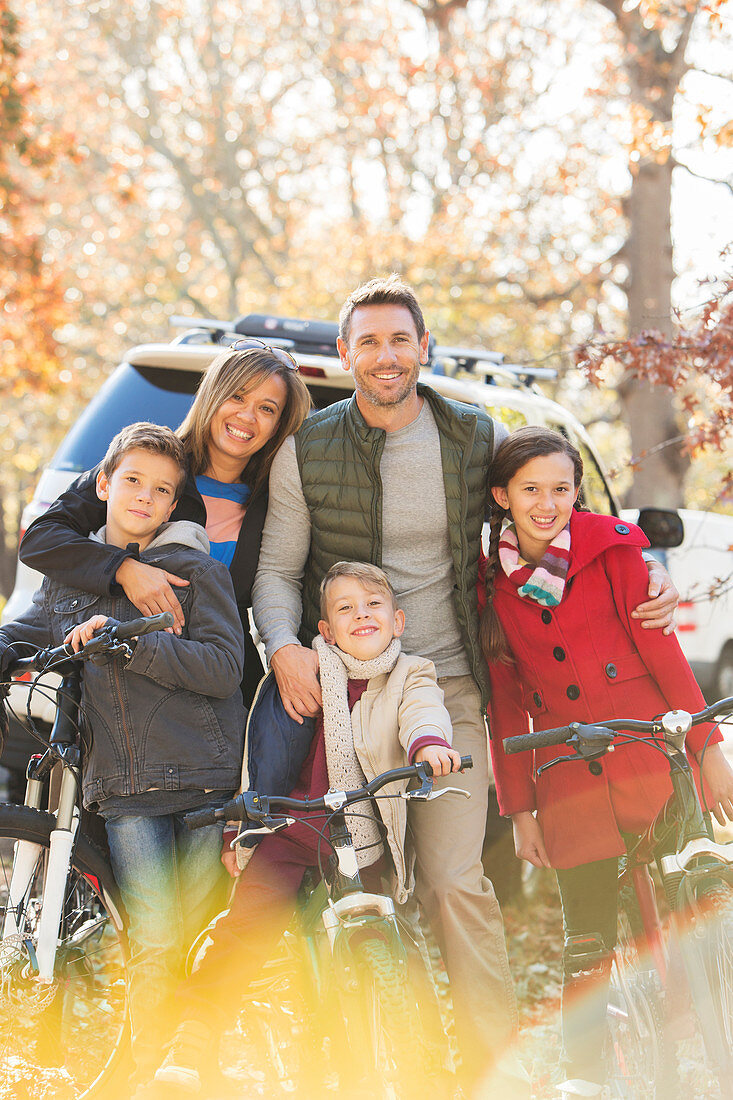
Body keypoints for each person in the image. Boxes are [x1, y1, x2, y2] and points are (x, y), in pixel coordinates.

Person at [250, 275, 679, 1097]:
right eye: (367, 341)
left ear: (422, 347)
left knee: (452, 879)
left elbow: (551, 507)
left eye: (398, 339)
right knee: (355, 880)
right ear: (344, 354)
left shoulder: (470, 434)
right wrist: (282, 648)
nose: (384, 355)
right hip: (346, 691)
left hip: (448, 690)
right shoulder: (309, 449)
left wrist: (639, 557)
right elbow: (274, 570)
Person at [139, 560, 460, 1097]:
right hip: (291, 828)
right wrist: (241, 827)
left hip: (363, 834)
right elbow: (262, 754)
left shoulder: (411, 674)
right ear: (327, 631)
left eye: (374, 605)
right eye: (345, 608)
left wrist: (430, 745)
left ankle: (420, 1057)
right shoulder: (303, 673)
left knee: (397, 940)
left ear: (399, 621)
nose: (362, 615)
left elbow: (423, 713)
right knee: (246, 929)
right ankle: (190, 1043)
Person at [480, 426, 733, 1096]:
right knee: (586, 932)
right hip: (564, 772)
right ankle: (587, 1076)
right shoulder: (490, 588)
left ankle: (705, 1041)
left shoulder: (615, 552)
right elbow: (504, 709)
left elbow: (663, 657)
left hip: (647, 749)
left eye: (560, 488)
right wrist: (519, 809)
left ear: (576, 491)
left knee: (687, 905)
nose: (546, 503)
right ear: (502, 495)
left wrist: (706, 750)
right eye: (530, 489)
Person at [0, 423, 247, 1083]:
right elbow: (27, 631)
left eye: (161, 489)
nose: (144, 496)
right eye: (132, 480)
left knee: (194, 944)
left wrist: (131, 643)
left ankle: (189, 1072)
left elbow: (224, 668)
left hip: (202, 782)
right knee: (153, 940)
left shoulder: (193, 571)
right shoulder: (71, 576)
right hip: (125, 791)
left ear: (174, 507)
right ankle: (149, 1078)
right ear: (103, 484)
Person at [17, 341, 312, 704]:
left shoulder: (276, 498)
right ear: (212, 396)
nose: (247, 417)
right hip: (118, 686)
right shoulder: (150, 464)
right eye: (236, 397)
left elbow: (285, 585)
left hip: (214, 687)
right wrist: (124, 570)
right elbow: (41, 539)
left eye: (266, 408)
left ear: (279, 424)